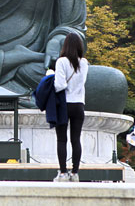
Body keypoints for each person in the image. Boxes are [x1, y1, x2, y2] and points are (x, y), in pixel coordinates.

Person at [52, 32, 88, 182]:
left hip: (64, 104)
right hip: (78, 104)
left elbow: (59, 85)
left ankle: (62, 172)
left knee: (61, 140)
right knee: (76, 139)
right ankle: (75, 172)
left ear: (65, 45)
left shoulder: (61, 62)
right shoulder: (84, 62)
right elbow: (82, 82)